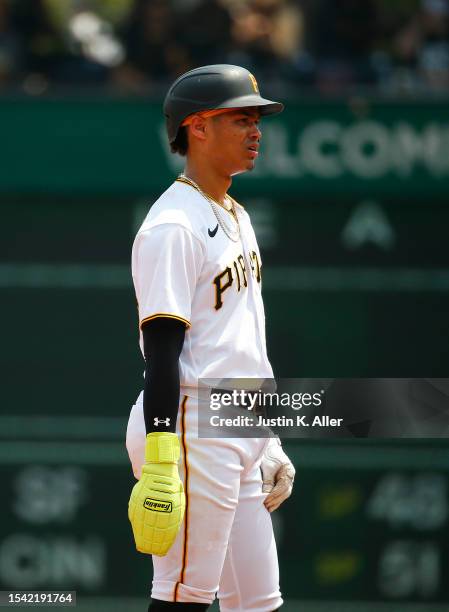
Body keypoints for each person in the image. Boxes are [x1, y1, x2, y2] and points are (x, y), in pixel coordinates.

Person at [126, 64, 295, 611]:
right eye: (241, 118)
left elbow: (244, 339)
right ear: (197, 127)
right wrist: (159, 455)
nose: (256, 131)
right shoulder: (173, 225)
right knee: (183, 598)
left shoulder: (233, 213)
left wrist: (266, 436)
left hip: (239, 422)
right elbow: (163, 351)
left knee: (258, 603)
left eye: (257, 119)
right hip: (190, 427)